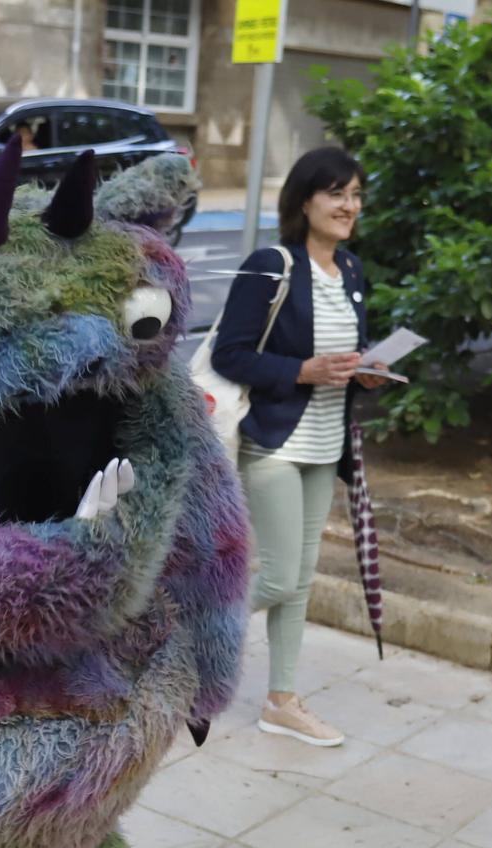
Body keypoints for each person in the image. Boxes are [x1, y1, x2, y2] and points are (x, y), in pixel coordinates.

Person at [210, 145, 388, 748]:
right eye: (337, 193)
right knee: (282, 578)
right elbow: (227, 354)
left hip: (325, 445)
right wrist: (302, 371)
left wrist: (365, 371)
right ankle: (180, 631)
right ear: (305, 200)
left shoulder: (354, 272)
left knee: (301, 580)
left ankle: (281, 701)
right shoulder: (272, 264)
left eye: (357, 194)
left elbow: (342, 357)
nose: (349, 206)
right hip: (275, 445)